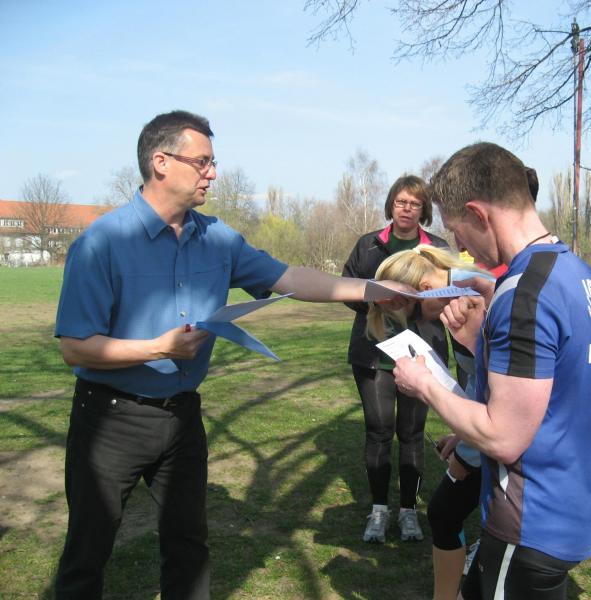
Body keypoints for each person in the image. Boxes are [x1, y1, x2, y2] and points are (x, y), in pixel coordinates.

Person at [53, 110, 409, 600]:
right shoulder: (102, 242)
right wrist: (158, 347)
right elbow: (74, 345)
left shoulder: (217, 239)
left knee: (188, 548)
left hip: (181, 418)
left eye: (212, 162)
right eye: (202, 162)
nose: (213, 174)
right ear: (160, 162)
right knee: (87, 554)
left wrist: (373, 289)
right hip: (109, 420)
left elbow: (290, 278)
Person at [393, 143, 591, 599]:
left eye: (456, 231)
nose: (459, 248)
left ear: (478, 213)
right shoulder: (577, 273)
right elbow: (549, 393)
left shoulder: (524, 293)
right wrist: (482, 338)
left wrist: (424, 384)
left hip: (529, 522)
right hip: (571, 508)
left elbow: (504, 435)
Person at [366, 244, 494, 599]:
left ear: (424, 290)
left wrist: (467, 454)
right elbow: (480, 382)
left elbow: (500, 391)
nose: (419, 324)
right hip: (483, 434)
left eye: (412, 314)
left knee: (447, 512)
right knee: (444, 513)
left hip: (504, 441)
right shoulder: (459, 299)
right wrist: (462, 432)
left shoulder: (475, 299)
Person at [342, 176, 451, 544]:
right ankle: (378, 510)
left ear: (424, 210)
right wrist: (377, 301)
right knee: (378, 431)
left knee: (412, 433)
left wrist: (417, 304)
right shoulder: (368, 245)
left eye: (415, 203)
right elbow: (347, 287)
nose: (407, 208)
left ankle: (408, 511)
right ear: (391, 204)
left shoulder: (437, 248)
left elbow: (448, 294)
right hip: (374, 353)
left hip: (421, 353)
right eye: (401, 201)